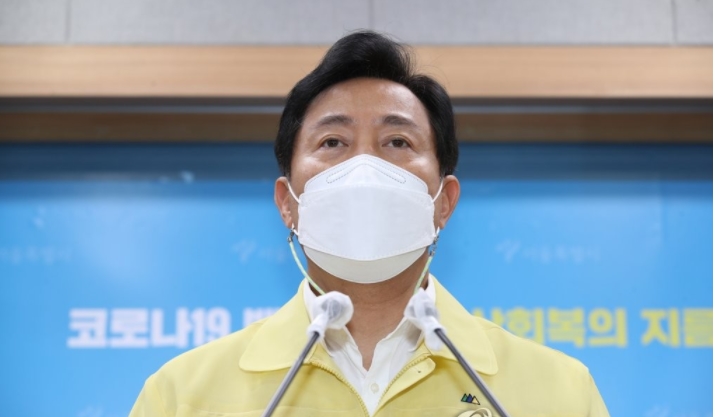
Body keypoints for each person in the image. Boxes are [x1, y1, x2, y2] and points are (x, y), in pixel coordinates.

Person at [129, 31, 610, 417]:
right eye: (333, 142)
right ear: (287, 203)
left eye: (397, 142)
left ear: (444, 202)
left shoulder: (561, 392)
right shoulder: (182, 396)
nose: (364, 167)